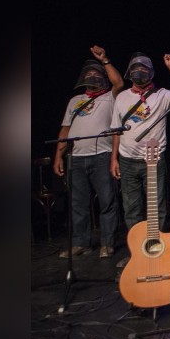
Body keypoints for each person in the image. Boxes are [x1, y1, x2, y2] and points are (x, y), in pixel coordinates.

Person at [110, 51, 170, 268]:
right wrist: (113, 158)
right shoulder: (122, 97)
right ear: (129, 73)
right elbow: (117, 131)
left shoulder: (161, 95)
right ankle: (136, 253)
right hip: (126, 160)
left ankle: (157, 252)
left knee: (157, 210)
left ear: (151, 73)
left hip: (153, 161)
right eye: (135, 68)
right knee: (131, 210)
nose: (139, 72)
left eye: (144, 69)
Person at [53, 45, 125, 258]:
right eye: (89, 73)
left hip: (102, 157)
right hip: (76, 158)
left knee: (107, 201)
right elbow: (65, 128)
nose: (92, 76)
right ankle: (81, 243)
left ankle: (107, 243)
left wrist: (104, 60)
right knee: (78, 203)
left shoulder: (110, 97)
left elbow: (119, 82)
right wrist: (59, 154)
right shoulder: (75, 101)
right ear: (83, 77)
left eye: (97, 73)